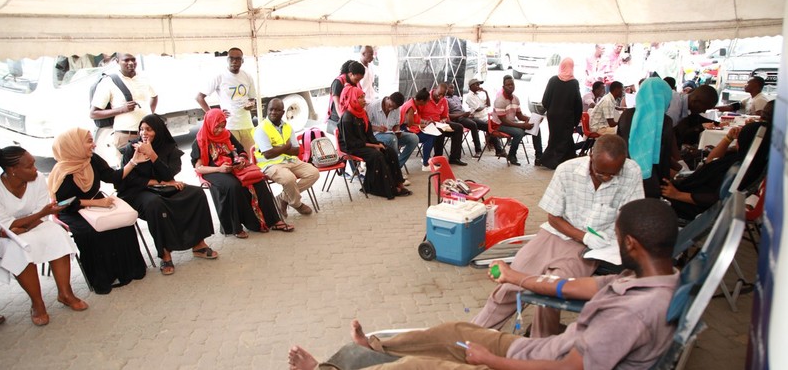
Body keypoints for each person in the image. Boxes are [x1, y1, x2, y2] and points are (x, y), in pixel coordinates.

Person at [288, 198, 680, 370]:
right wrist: (520, 278)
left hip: (535, 364)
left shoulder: (630, 316)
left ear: (630, 243)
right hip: (538, 349)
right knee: (455, 331)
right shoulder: (652, 276)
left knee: (421, 366)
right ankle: (374, 345)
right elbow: (585, 289)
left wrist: (489, 360)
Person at [472, 134, 644, 337]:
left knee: (553, 287)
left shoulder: (631, 172)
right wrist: (583, 236)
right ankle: (473, 336)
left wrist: (614, 244)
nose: (606, 178)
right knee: (510, 285)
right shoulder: (567, 171)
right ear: (590, 156)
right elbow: (553, 218)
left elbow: (631, 215)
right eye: (601, 173)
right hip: (558, 232)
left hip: (593, 247)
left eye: (612, 175)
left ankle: (539, 341)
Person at [47, 128, 148, 295]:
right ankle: (103, 278)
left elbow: (113, 177)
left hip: (97, 203)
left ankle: (129, 271)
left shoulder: (91, 159)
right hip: (73, 210)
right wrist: (98, 203)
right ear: (74, 146)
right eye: (88, 141)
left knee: (121, 222)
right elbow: (64, 203)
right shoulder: (62, 172)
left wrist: (134, 162)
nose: (93, 144)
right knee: (90, 231)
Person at [118, 114, 218, 275]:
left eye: (149, 129)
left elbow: (169, 173)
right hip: (137, 191)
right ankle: (165, 254)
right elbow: (130, 179)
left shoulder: (169, 148)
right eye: (141, 129)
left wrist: (152, 155)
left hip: (164, 187)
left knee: (196, 194)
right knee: (155, 204)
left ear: (158, 131)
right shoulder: (132, 148)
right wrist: (161, 183)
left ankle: (198, 244)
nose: (144, 133)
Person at [0, 146, 88, 326]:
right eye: (29, 166)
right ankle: (37, 303)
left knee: (57, 234)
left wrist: (25, 224)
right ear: (12, 170)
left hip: (33, 225)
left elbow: (43, 213)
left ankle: (65, 293)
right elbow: (4, 226)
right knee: (19, 247)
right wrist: (22, 225)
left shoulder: (38, 179)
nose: (36, 169)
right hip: (6, 235)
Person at [192, 109, 289, 237]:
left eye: (223, 126)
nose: (220, 130)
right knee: (233, 186)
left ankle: (273, 220)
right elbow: (199, 168)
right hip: (212, 170)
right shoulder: (200, 141)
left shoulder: (226, 135)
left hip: (232, 167)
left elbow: (241, 151)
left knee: (258, 180)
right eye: (217, 127)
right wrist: (219, 169)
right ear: (210, 123)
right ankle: (236, 227)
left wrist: (242, 160)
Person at [661, 120, 769, 220]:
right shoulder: (746, 159)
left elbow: (717, 199)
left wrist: (676, 195)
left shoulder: (742, 171)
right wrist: (728, 138)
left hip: (692, 205)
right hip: (688, 189)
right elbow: (710, 160)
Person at [338, 87, 410, 199]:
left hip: (364, 143)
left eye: (363, 97)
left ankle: (398, 182)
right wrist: (374, 146)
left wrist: (377, 144)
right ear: (353, 99)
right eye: (360, 97)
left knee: (389, 151)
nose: (364, 100)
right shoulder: (347, 117)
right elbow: (351, 143)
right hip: (352, 147)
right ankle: (386, 187)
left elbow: (369, 133)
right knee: (377, 155)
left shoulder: (362, 113)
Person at [254, 98, 318, 217]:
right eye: (271, 109)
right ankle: (297, 204)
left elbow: (296, 151)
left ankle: (283, 198)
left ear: (283, 112)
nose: (273, 112)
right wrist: (286, 146)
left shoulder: (288, 127)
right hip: (270, 164)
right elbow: (268, 154)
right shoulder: (261, 129)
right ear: (267, 110)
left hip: (290, 161)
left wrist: (278, 148)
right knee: (289, 179)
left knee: (313, 173)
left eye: (277, 110)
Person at [617, 78, 680, 198]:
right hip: (651, 182)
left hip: (624, 175)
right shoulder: (665, 121)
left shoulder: (627, 115)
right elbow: (664, 157)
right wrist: (665, 181)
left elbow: (618, 144)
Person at [90, 52, 158, 153]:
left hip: (147, 135)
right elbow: (93, 114)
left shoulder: (143, 77)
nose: (130, 63)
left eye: (133, 59)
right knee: (130, 167)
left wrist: (149, 115)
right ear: (117, 61)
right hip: (126, 137)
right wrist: (122, 109)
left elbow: (154, 96)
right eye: (126, 60)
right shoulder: (109, 81)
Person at [196, 47, 257, 152]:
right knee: (233, 158)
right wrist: (214, 115)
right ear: (227, 60)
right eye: (231, 58)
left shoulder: (247, 76)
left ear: (242, 61)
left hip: (246, 123)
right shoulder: (220, 76)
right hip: (229, 125)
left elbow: (252, 98)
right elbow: (199, 97)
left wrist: (251, 104)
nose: (234, 61)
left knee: (250, 156)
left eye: (238, 59)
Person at [540, 58, 583, 169]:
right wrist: (576, 120)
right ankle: (557, 161)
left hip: (553, 116)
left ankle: (554, 160)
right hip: (567, 117)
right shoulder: (574, 83)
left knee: (554, 137)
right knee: (564, 138)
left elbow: (545, 100)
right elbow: (578, 103)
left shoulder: (553, 80)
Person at [491, 75, 543, 166]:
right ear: (503, 87)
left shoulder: (516, 99)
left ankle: (539, 157)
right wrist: (522, 126)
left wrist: (534, 119)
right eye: (508, 85)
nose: (511, 86)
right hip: (499, 125)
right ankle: (511, 155)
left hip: (511, 123)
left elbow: (519, 116)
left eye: (512, 84)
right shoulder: (500, 101)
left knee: (536, 128)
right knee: (519, 132)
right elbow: (504, 121)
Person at [365, 92, 419, 173]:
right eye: (390, 105)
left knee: (414, 138)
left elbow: (396, 124)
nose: (390, 109)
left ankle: (395, 167)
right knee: (392, 139)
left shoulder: (396, 108)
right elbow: (365, 126)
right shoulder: (373, 106)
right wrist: (378, 128)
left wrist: (397, 131)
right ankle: (394, 172)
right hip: (375, 135)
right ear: (388, 98)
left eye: (394, 108)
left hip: (390, 134)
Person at [416, 83, 467, 166]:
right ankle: (437, 158)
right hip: (426, 125)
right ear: (435, 89)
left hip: (439, 123)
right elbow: (417, 116)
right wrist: (426, 122)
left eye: (443, 95)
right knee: (440, 130)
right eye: (439, 94)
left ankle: (455, 158)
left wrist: (443, 120)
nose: (440, 96)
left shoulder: (444, 100)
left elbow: (445, 116)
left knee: (458, 127)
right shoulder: (426, 98)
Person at [463, 78, 504, 157]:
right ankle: (498, 149)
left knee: (496, 124)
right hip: (476, 117)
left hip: (485, 116)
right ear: (471, 86)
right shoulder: (469, 96)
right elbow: (478, 109)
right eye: (477, 84)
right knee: (490, 127)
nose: (479, 86)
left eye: (479, 84)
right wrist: (484, 105)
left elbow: (489, 104)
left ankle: (498, 149)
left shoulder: (480, 94)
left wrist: (486, 92)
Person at [399, 88, 438, 171]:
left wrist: (426, 122)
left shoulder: (414, 104)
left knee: (432, 135)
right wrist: (423, 125)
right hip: (407, 131)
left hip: (412, 128)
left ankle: (426, 159)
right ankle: (425, 163)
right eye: (426, 101)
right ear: (421, 100)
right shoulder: (410, 107)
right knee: (430, 137)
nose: (427, 103)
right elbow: (410, 124)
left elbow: (416, 119)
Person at [326, 60, 365, 134]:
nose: (358, 82)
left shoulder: (355, 82)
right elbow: (337, 105)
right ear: (350, 74)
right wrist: (344, 122)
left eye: (359, 80)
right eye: (357, 79)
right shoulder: (338, 82)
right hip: (337, 120)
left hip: (349, 118)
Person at [445, 83, 483, 157]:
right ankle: (478, 150)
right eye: (451, 88)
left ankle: (499, 149)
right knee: (473, 125)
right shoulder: (445, 99)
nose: (453, 90)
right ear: (446, 89)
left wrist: (467, 113)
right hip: (457, 118)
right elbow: (448, 116)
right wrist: (462, 115)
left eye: (453, 88)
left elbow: (461, 108)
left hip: (464, 115)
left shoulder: (456, 97)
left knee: (484, 124)